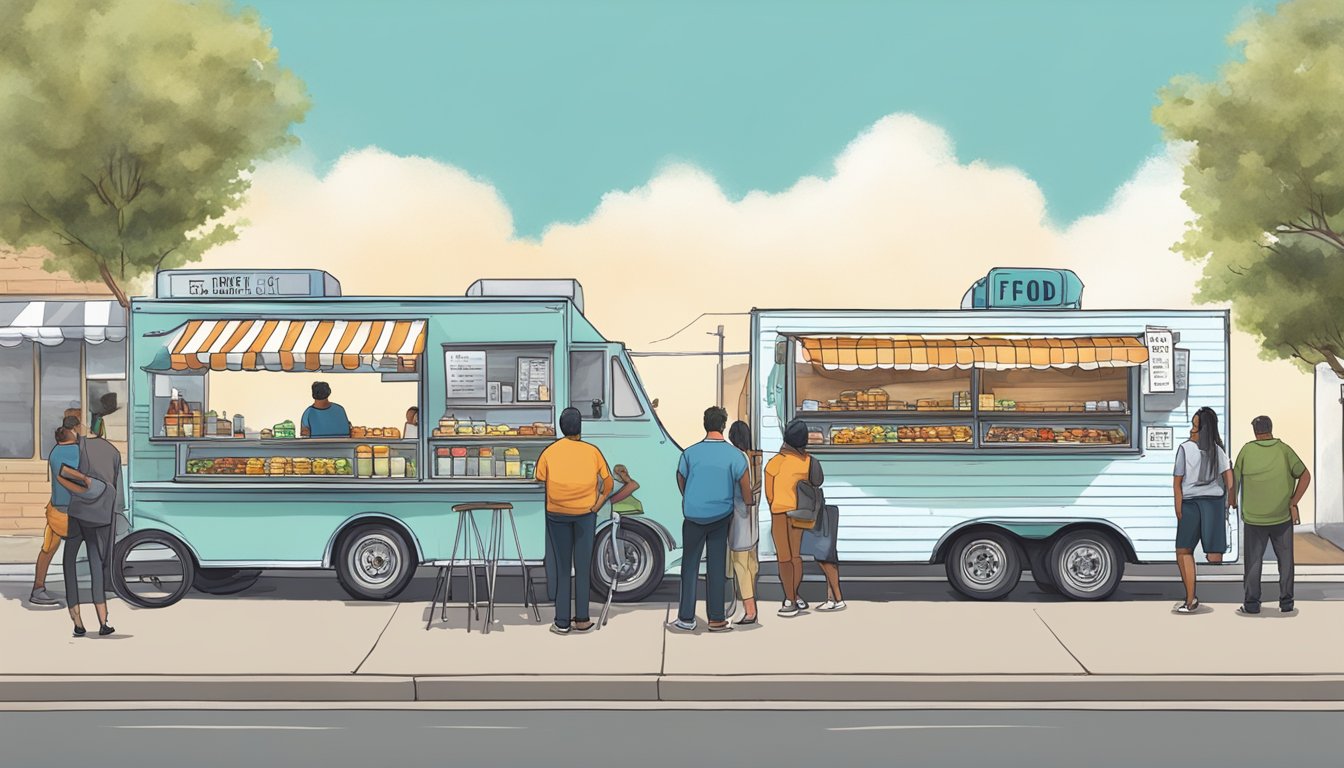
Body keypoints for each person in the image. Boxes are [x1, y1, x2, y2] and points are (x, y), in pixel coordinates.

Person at [670, 406, 751, 633]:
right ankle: (716, 619)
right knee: (715, 567)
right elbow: (745, 490)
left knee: (689, 567)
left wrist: (692, 497)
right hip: (720, 516)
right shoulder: (735, 455)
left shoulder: (689, 453)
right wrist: (748, 501)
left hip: (693, 515)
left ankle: (686, 618)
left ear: (704, 424)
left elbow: (681, 479)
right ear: (724, 426)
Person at [535, 407, 613, 635]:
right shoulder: (592, 451)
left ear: (561, 427)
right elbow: (608, 485)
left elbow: (540, 478)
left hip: (557, 515)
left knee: (561, 568)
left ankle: (561, 621)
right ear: (580, 427)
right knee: (582, 567)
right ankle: (582, 619)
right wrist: (596, 506)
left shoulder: (550, 452)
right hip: (585, 516)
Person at [1233, 415, 1311, 615]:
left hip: (1254, 518)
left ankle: (1251, 605)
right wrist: (1293, 501)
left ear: (1255, 431)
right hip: (1282, 517)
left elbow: (1234, 481)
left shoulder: (1246, 450)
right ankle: (1286, 603)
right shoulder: (1284, 450)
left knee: (1253, 563)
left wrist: (1231, 501)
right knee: (1285, 562)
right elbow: (1305, 475)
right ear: (1271, 428)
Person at [60, 415, 124, 637]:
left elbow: (67, 476)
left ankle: (77, 622)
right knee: (96, 563)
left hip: (79, 512)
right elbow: (118, 494)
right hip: (100, 515)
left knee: (69, 562)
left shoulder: (79, 446)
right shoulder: (114, 452)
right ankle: (103, 622)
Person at [1172, 406, 1233, 614]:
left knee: (1184, 551)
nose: (1191, 430)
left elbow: (1177, 482)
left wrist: (1178, 506)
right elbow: (1230, 481)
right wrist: (1227, 503)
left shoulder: (1185, 449)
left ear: (1204, 430)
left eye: (1195, 427)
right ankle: (1194, 599)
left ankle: (1191, 599)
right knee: (1214, 555)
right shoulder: (1218, 451)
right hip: (1213, 504)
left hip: (1192, 504)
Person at [765, 419, 822, 617]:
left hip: (780, 514)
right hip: (800, 513)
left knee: (784, 559)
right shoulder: (807, 462)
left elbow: (769, 495)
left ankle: (789, 599)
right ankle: (795, 595)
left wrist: (777, 503)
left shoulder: (774, 463)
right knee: (796, 557)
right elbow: (817, 482)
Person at [29, 408, 83, 607]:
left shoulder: (56, 451)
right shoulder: (77, 451)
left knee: (48, 549)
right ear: (75, 428)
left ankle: (38, 587)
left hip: (55, 509)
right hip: (71, 511)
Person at [727, 420, 762, 625]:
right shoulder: (748, 457)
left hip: (739, 515)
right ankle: (747, 606)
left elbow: (742, 488)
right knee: (751, 563)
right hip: (750, 517)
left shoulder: (736, 457)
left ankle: (750, 610)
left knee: (740, 564)